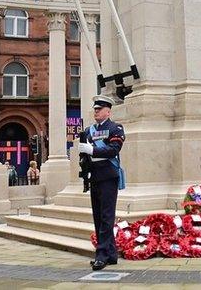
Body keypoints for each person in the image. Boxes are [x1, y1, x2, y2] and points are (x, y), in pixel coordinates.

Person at [77, 95, 125, 271]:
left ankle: (102, 254)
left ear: (108, 111)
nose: (96, 111)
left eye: (99, 109)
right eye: (95, 109)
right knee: (98, 217)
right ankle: (111, 254)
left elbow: (113, 150)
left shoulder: (115, 128)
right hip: (94, 176)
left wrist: (93, 150)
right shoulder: (88, 131)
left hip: (108, 176)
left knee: (106, 217)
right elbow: (84, 157)